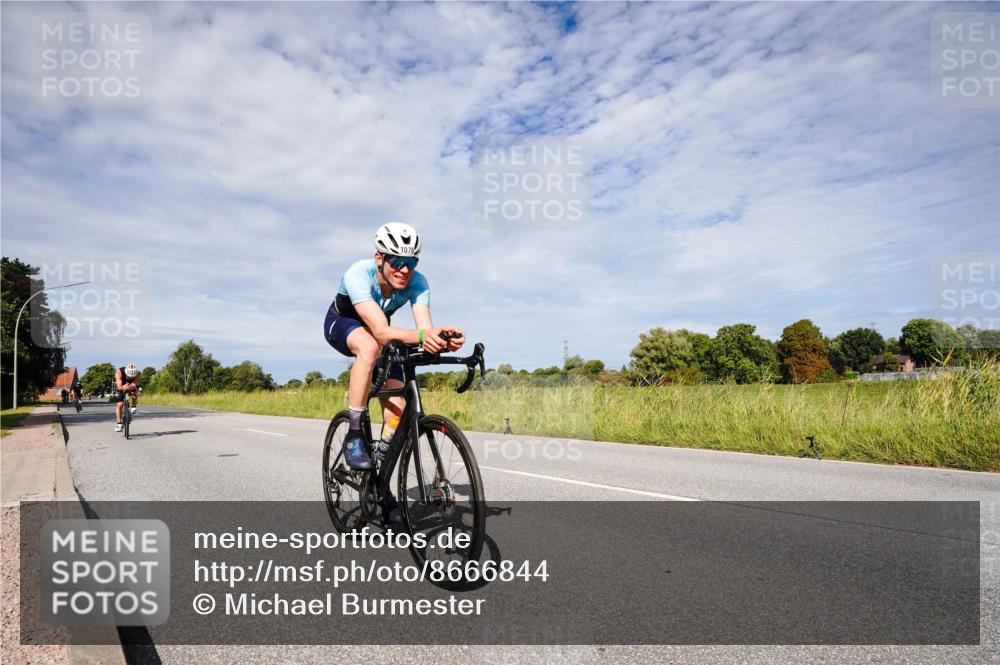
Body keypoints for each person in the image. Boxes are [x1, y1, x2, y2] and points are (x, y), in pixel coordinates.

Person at [323, 223, 464, 520]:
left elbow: (423, 331)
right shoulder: (357, 275)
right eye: (397, 262)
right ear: (379, 259)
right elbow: (381, 331)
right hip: (344, 324)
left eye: (411, 263)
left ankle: (380, 487)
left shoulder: (419, 283)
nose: (404, 270)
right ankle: (354, 433)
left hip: (381, 332)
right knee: (370, 347)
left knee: (397, 413)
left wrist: (441, 340)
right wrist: (426, 336)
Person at [113, 364, 142, 432]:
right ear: (126, 373)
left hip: (131, 385)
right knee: (119, 404)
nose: (129, 378)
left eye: (131, 377)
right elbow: (119, 387)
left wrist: (131, 387)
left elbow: (134, 384)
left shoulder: (138, 374)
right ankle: (119, 423)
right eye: (128, 376)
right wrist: (123, 387)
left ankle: (133, 406)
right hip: (121, 385)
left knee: (135, 394)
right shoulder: (119, 372)